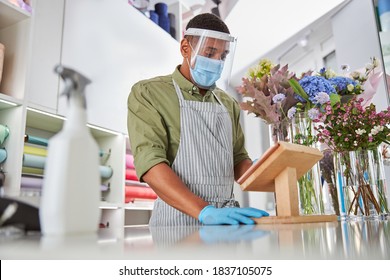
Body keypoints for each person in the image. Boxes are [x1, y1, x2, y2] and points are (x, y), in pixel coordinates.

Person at [127, 13, 269, 226]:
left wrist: (267, 172)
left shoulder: (228, 103)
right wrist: (204, 211)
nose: (217, 62)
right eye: (210, 53)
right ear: (185, 48)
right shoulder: (148, 93)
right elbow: (150, 163)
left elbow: (238, 160)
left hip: (226, 222)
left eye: (222, 56)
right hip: (175, 222)